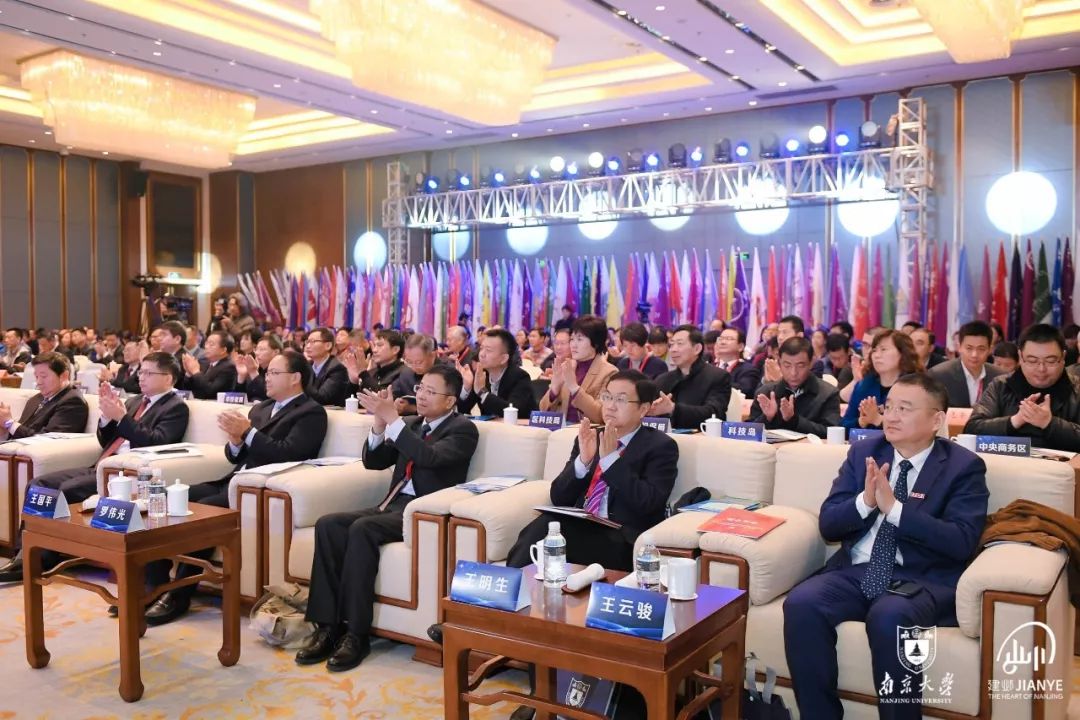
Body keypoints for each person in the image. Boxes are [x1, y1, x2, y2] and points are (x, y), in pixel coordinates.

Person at [784, 373, 988, 720]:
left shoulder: (963, 467)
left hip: (922, 578)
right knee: (802, 603)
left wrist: (895, 510)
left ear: (936, 420)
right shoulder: (865, 452)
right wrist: (865, 502)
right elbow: (829, 524)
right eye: (888, 406)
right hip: (858, 570)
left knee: (890, 616)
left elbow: (961, 541)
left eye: (904, 409)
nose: (891, 416)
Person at [295, 365, 478, 672]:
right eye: (420, 388)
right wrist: (380, 425)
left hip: (423, 513)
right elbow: (375, 462)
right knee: (329, 524)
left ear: (450, 401)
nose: (422, 395)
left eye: (431, 391)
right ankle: (327, 627)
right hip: (391, 505)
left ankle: (356, 634)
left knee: (362, 528)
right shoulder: (412, 425)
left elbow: (429, 457)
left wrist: (393, 421)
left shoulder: (462, 429)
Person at [143, 350, 328, 625]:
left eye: (274, 373)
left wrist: (248, 433)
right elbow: (235, 456)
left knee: (206, 511)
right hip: (232, 480)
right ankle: (153, 586)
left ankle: (178, 595)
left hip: (257, 492)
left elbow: (288, 453)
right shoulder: (261, 408)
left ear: (295, 378)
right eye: (267, 372)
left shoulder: (311, 413)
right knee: (168, 498)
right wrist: (235, 440)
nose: (266, 378)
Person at [0, 352, 190, 583]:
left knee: (66, 490)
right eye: (141, 372)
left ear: (168, 378)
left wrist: (121, 417)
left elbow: (156, 441)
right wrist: (107, 419)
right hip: (102, 465)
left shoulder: (176, 407)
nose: (141, 377)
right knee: (40, 484)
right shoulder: (134, 401)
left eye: (149, 373)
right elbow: (105, 440)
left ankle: (43, 557)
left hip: (124, 475)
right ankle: (25, 552)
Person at [508, 369, 678, 571]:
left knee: (551, 532)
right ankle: (514, 580)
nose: (611, 406)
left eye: (621, 400)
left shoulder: (661, 447)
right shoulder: (590, 437)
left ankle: (512, 581)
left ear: (643, 409)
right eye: (607, 397)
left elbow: (649, 503)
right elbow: (558, 497)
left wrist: (611, 461)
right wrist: (583, 462)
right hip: (582, 526)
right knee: (546, 526)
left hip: (622, 540)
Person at [965, 323, 1080, 451]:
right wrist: (1014, 421)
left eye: (1050, 361)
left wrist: (1049, 423)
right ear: (1020, 357)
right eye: (1032, 361)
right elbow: (971, 430)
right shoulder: (1001, 385)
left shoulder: (1077, 389)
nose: (1041, 369)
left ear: (1063, 357)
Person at [749, 337, 841, 438]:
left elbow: (831, 432)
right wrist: (767, 417)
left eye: (800, 366)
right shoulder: (765, 393)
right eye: (787, 366)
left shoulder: (828, 393)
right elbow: (748, 432)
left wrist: (794, 420)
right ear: (779, 363)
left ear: (811, 363)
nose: (793, 373)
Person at [651, 324, 732, 429]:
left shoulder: (718, 377)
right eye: (671, 344)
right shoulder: (663, 379)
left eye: (680, 344)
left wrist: (673, 409)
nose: (673, 349)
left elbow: (714, 413)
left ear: (697, 349)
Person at [540, 315, 617, 424]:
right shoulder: (567, 366)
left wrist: (574, 388)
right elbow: (542, 411)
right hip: (561, 430)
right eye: (572, 339)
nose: (573, 345)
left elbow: (601, 416)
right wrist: (554, 389)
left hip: (586, 432)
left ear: (596, 343)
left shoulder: (609, 372)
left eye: (580, 339)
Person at [841, 330, 922, 430]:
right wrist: (861, 421)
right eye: (874, 350)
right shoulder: (864, 385)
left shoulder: (916, 387)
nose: (877, 355)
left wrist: (878, 419)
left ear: (903, 353)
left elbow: (916, 428)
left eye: (883, 349)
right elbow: (843, 426)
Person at [0, 352, 89, 440]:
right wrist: (4, 430)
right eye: (36, 376)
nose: (38, 382)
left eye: (43, 376)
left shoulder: (72, 402)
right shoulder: (36, 398)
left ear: (64, 376)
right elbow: (21, 430)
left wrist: (9, 423)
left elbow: (46, 440)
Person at [457, 328, 538, 417]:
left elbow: (513, 411)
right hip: (490, 426)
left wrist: (482, 393)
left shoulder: (520, 377)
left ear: (503, 359)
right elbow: (462, 410)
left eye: (488, 350)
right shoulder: (481, 375)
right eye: (481, 348)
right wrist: (466, 388)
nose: (482, 354)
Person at [928, 321, 1004, 409]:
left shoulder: (1000, 377)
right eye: (969, 348)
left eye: (981, 349)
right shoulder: (939, 375)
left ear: (990, 349)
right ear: (959, 347)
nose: (974, 355)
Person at [344, 328, 404, 396]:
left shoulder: (403, 373)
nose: (374, 350)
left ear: (395, 350)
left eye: (380, 345)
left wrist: (363, 372)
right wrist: (354, 382)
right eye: (374, 345)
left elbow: (383, 398)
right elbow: (354, 400)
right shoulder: (373, 372)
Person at [391, 334, 441, 414]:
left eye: (418, 362)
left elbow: (445, 410)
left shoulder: (445, 375)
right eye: (409, 362)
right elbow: (394, 393)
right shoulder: (406, 372)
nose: (414, 367)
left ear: (433, 355)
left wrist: (414, 409)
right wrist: (393, 402)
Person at [180, 330, 238, 399]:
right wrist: (189, 373)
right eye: (206, 343)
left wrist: (195, 371)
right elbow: (188, 390)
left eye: (211, 344)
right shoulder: (203, 362)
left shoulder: (229, 367)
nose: (206, 347)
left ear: (223, 350)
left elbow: (210, 391)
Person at [304, 327, 351, 406]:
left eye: (313, 342)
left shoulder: (337, 368)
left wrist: (301, 382)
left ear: (328, 345)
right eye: (307, 342)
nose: (308, 346)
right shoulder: (307, 366)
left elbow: (323, 398)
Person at [713, 327, 762, 396]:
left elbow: (745, 389)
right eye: (720, 339)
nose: (723, 342)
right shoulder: (709, 366)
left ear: (740, 347)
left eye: (729, 339)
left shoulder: (749, 369)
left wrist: (713, 382)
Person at [236, 334, 284, 402]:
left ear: (276, 352)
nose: (257, 353)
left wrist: (253, 372)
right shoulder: (258, 369)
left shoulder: (282, 372)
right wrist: (241, 376)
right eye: (256, 349)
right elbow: (239, 398)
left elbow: (269, 396)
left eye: (262, 349)